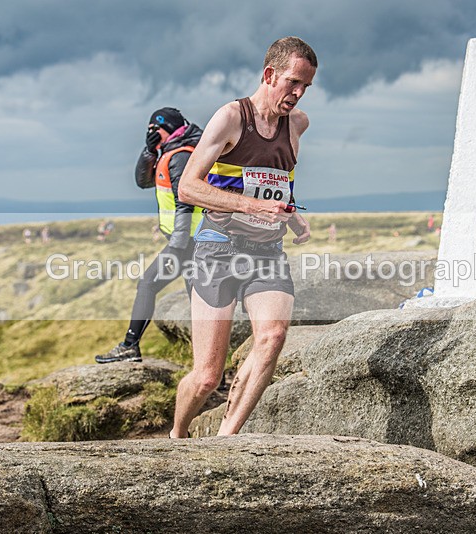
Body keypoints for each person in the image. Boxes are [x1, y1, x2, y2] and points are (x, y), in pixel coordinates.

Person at [170, 36, 317, 438]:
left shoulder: (298, 124)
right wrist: (252, 207)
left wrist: (290, 215)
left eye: (305, 86)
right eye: (292, 82)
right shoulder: (232, 118)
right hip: (218, 249)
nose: (298, 93)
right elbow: (187, 188)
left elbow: (275, 179)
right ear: (270, 74)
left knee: (272, 337)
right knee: (205, 377)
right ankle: (177, 435)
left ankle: (225, 439)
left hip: (267, 252)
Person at [95, 107, 204, 363]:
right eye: (149, 131)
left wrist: (178, 243)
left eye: (155, 129)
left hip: (188, 241)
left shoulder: (181, 155)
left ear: (170, 128)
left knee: (148, 284)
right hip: (189, 240)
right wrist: (149, 151)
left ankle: (129, 346)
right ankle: (213, 372)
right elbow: (143, 181)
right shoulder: (169, 152)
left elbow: (184, 200)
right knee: (197, 303)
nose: (151, 133)